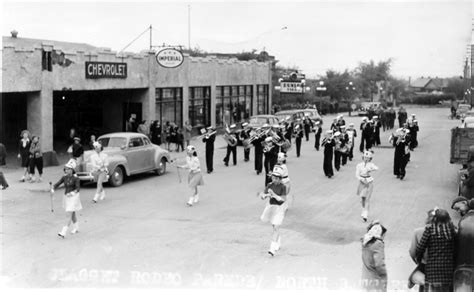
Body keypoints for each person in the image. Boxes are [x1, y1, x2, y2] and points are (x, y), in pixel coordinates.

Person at [415, 208, 456, 292]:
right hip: (448, 270)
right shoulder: (451, 231)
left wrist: (419, 259)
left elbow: (420, 248)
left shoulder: (430, 230)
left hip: (433, 270)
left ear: (435, 219)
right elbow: (455, 248)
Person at [259, 167, 288, 256]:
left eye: (276, 178)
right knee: (274, 226)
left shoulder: (283, 187)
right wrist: (264, 196)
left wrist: (274, 194)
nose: (274, 180)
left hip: (280, 208)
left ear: (280, 179)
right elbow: (263, 194)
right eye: (273, 177)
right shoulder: (269, 185)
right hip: (271, 207)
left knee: (276, 227)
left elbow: (282, 200)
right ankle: (278, 242)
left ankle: (272, 248)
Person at [51, 159, 82, 238]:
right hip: (66, 197)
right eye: (66, 169)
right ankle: (76, 228)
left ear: (72, 170)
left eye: (68, 169)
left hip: (74, 197)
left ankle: (63, 232)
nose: (66, 170)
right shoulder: (64, 177)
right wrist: (53, 188)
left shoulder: (76, 178)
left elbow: (78, 188)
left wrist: (72, 193)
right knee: (72, 213)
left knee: (68, 214)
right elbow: (58, 183)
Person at [408, 208, 436, 291]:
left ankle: (412, 279)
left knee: (424, 287)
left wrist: (418, 262)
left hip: (424, 265)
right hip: (442, 267)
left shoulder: (418, 232)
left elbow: (412, 252)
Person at [361, 220, 388, 292]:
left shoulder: (365, 241)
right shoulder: (378, 244)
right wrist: (384, 276)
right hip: (376, 280)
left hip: (366, 278)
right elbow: (379, 264)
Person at [356, 150, 378, 222]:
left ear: (370, 159)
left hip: (369, 181)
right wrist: (361, 179)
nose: (366, 159)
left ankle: (366, 213)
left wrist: (370, 169)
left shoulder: (371, 164)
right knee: (362, 197)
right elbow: (357, 175)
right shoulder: (359, 165)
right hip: (362, 182)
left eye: (368, 158)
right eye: (365, 157)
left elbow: (376, 168)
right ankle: (363, 210)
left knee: (367, 198)